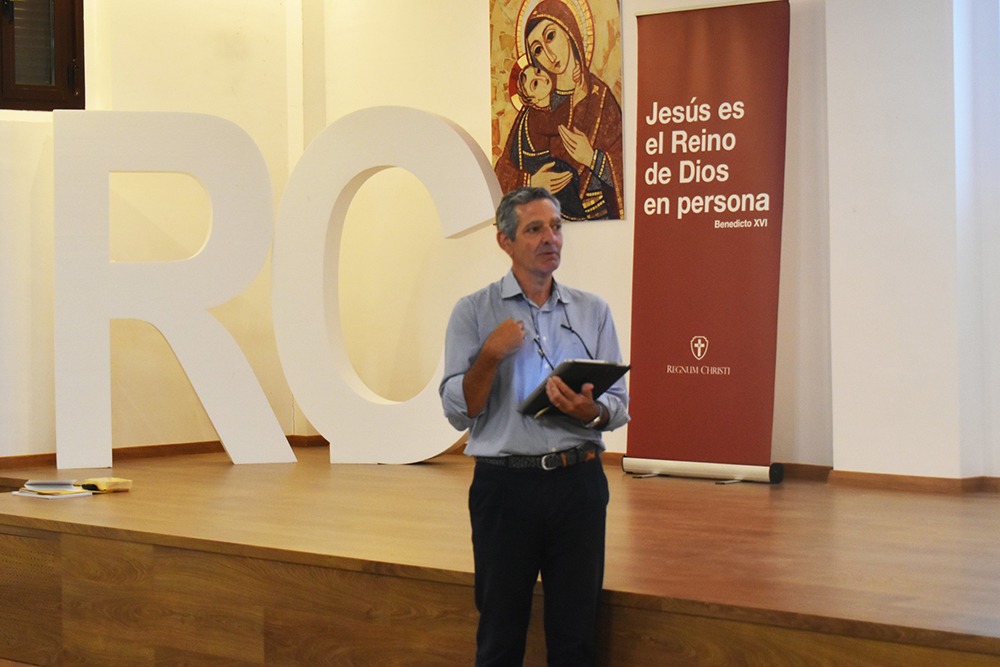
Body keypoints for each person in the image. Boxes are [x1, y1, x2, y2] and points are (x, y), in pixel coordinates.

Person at [439, 186, 630, 666]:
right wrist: (490, 353)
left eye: (557, 226)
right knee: (500, 635)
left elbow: (620, 405)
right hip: (506, 489)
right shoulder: (474, 312)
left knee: (575, 637)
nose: (552, 238)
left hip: (578, 482)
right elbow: (460, 411)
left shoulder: (593, 310)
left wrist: (593, 412)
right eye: (535, 229)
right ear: (505, 242)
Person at [494, 0, 624, 220]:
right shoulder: (532, 112)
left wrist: (591, 158)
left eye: (550, 36)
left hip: (600, 224)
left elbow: (628, 173)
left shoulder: (600, 99)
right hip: (547, 223)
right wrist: (531, 183)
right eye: (537, 49)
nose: (549, 54)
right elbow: (500, 174)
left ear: (568, 30)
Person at [510, 64, 587, 220]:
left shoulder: (547, 107)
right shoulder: (536, 117)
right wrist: (577, 92)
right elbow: (559, 121)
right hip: (545, 176)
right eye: (535, 84)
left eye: (538, 71)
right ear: (532, 100)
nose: (542, 77)